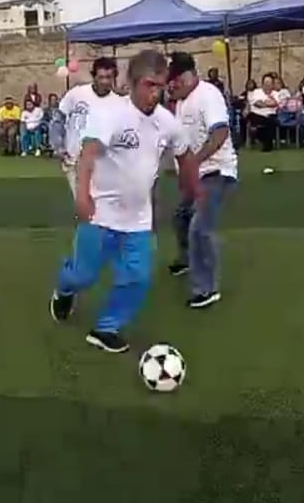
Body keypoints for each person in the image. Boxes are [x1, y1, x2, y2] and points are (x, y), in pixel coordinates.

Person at [49, 50, 199, 354]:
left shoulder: (166, 121)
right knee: (84, 275)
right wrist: (82, 196)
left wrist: (194, 188)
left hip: (138, 219)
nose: (155, 93)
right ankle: (64, 288)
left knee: (138, 277)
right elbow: (87, 156)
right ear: (132, 82)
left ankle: (106, 328)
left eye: (160, 86)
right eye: (149, 85)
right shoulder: (111, 115)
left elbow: (184, 154)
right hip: (100, 214)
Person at [167, 53, 238, 308]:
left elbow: (220, 132)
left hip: (216, 172)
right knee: (180, 217)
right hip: (196, 175)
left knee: (200, 229)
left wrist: (194, 162)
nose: (171, 86)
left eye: (175, 80)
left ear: (188, 76)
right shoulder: (181, 102)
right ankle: (188, 259)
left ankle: (207, 288)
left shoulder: (208, 95)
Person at [51, 56, 119, 195]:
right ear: (94, 76)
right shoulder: (76, 94)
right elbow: (58, 119)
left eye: (109, 77)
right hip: (75, 160)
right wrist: (59, 147)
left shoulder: (119, 103)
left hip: (103, 163)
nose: (105, 81)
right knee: (84, 201)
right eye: (101, 77)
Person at [247, 73, 280, 153]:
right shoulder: (256, 92)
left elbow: (275, 104)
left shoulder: (276, 94)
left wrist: (264, 103)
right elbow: (257, 104)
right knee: (257, 121)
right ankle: (264, 140)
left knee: (270, 122)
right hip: (256, 114)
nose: (267, 85)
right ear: (262, 84)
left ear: (272, 84)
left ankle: (267, 145)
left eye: (269, 83)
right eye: (266, 83)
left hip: (271, 115)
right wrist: (268, 104)